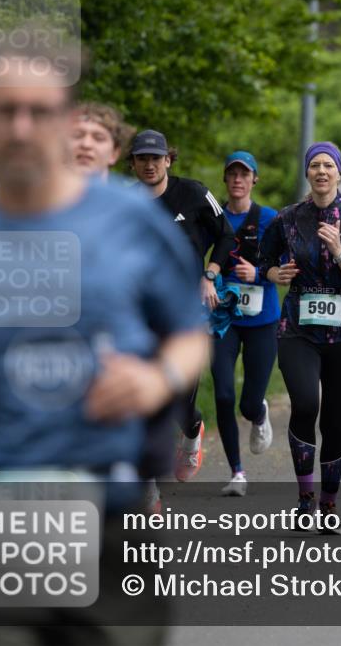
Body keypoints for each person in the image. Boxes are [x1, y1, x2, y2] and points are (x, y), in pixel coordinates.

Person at [0, 39, 208, 646]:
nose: (23, 126)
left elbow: (190, 333)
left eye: (40, 109)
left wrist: (156, 379)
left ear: (67, 116)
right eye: (6, 111)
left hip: (109, 505)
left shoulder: (128, 220)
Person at [259, 142, 341, 532]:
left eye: (329, 165)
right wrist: (271, 275)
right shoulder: (288, 219)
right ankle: (305, 497)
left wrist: (340, 251)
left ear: (340, 174)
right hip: (298, 329)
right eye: (315, 165)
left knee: (334, 421)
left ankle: (329, 504)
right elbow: (264, 261)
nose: (322, 172)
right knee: (306, 403)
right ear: (308, 174)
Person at [130, 129, 236, 480]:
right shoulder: (125, 202)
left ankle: (191, 432)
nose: (149, 165)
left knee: (178, 397)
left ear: (168, 160)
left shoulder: (193, 193)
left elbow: (225, 235)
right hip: (141, 309)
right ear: (132, 163)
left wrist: (209, 275)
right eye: (142, 158)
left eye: (155, 158)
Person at [210, 151, 280, 497]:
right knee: (223, 393)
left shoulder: (268, 218)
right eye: (232, 174)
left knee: (248, 403)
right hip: (223, 319)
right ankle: (237, 471)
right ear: (225, 179)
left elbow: (287, 265)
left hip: (261, 318)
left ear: (255, 179)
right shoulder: (213, 218)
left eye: (244, 174)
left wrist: (259, 275)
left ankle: (259, 411)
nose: (238, 179)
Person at [70, 101, 133, 180]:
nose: (86, 144)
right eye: (77, 135)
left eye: (99, 138)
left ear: (114, 154)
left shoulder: (132, 192)